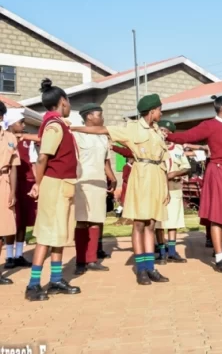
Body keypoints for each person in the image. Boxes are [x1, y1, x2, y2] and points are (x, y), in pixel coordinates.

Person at [71, 93, 170, 285]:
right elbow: (101, 130)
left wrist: (165, 187)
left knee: (151, 223)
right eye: (159, 109)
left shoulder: (157, 130)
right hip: (141, 176)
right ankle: (141, 270)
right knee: (139, 223)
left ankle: (151, 268)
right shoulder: (131, 129)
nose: (161, 112)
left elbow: (163, 161)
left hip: (157, 175)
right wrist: (73, 127)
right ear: (151, 111)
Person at [166, 95, 222, 273]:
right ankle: (220, 257)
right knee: (218, 216)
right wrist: (169, 136)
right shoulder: (209, 125)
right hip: (219, 172)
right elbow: (188, 136)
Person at [25, 79, 81, 301]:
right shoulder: (55, 126)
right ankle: (33, 284)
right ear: (62, 102)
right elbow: (42, 157)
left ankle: (56, 279)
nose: (69, 106)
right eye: (68, 102)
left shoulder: (60, 124)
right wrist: (37, 184)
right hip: (54, 185)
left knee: (60, 235)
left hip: (64, 185)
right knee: (47, 235)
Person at [72, 103, 116, 276]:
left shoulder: (103, 136)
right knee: (82, 221)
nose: (102, 117)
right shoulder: (76, 135)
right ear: (89, 116)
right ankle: (80, 261)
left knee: (97, 220)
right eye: (100, 114)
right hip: (82, 182)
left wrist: (112, 177)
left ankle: (92, 259)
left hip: (99, 183)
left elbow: (106, 161)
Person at [154, 120, 191, 264]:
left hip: (174, 187)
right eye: (161, 130)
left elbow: (187, 167)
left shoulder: (178, 149)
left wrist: (175, 173)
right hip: (158, 189)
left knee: (173, 222)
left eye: (166, 131)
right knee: (159, 222)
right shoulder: (156, 147)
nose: (164, 133)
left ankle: (172, 251)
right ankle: (162, 252)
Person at [4, 109, 35, 269]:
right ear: (10, 123)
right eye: (20, 122)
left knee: (23, 220)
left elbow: (34, 161)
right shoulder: (5, 139)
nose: (23, 125)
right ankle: (9, 255)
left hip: (26, 183)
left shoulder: (27, 140)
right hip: (8, 182)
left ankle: (19, 254)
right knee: (10, 220)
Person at [0, 102, 20, 285]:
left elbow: (13, 166)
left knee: (2, 229)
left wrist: (13, 192)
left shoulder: (10, 138)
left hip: (4, 182)